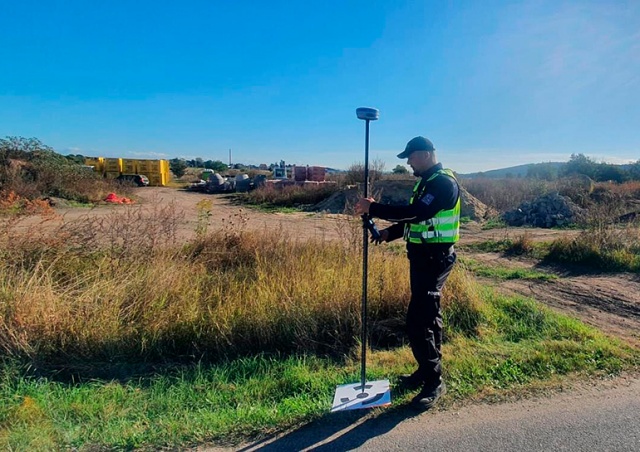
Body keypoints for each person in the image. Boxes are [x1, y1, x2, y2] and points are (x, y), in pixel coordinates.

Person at [354, 136, 460, 410]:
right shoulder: (426, 182)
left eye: (410, 157)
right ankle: (426, 371)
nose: (408, 163)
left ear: (424, 154)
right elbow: (416, 221)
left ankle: (434, 382)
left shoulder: (443, 183)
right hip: (424, 257)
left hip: (434, 259)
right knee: (429, 316)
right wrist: (389, 233)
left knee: (418, 320)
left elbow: (415, 213)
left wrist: (373, 208)